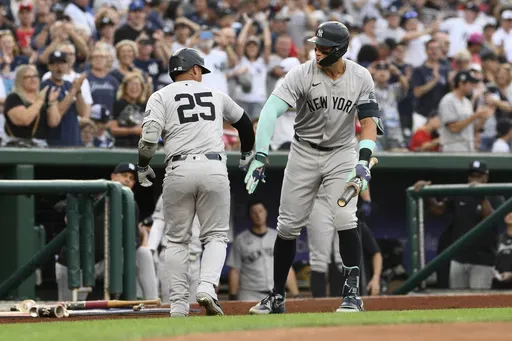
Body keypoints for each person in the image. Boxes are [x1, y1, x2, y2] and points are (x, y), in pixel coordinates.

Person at [244, 21, 383, 314]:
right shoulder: (301, 73)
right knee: (287, 225)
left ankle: (352, 295)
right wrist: (260, 153)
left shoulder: (360, 76)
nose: (317, 52)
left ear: (340, 50)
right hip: (304, 151)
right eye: (315, 46)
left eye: (324, 48)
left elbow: (368, 123)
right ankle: (277, 296)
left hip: (343, 152)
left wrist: (363, 158)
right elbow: (270, 110)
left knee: (346, 218)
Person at [136, 48, 255, 317]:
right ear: (194, 69)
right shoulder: (216, 94)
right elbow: (245, 125)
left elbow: (150, 138)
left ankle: (178, 306)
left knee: (177, 241)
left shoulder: (160, 95)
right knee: (215, 236)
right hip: (213, 167)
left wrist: (143, 165)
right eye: (200, 69)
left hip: (178, 168)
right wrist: (247, 154)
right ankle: (206, 287)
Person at [226, 200, 300, 301]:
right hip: (249, 294)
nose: (258, 215)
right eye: (254, 212)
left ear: (265, 212)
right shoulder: (241, 239)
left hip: (276, 293)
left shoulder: (277, 236)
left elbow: (287, 268)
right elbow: (235, 270)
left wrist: (296, 294)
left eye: (260, 211)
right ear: (250, 216)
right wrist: (232, 295)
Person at [147, 194, 202, 305]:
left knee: (195, 307)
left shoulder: (205, 193)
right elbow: (158, 224)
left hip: (196, 258)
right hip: (172, 255)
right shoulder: (169, 191)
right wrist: (151, 252)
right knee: (172, 304)